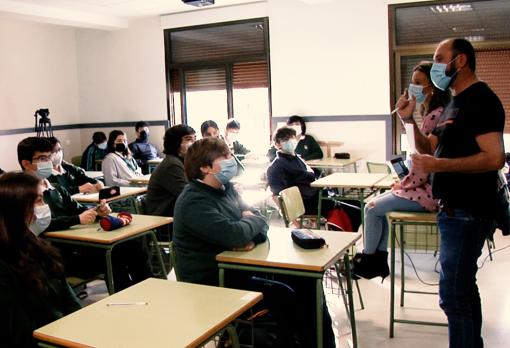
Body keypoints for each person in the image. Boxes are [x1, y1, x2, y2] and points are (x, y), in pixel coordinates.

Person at [174, 137, 336, 347]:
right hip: (213, 281)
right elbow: (235, 234)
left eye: (229, 154)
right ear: (205, 168)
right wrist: (244, 227)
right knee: (285, 294)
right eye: (224, 157)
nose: (230, 160)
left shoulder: (227, 188)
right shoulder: (193, 201)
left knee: (308, 281)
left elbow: (260, 220)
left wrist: (247, 227)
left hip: (240, 266)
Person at [398, 38, 505, 348]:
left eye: (440, 58)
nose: (436, 66)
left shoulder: (480, 100)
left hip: (468, 211)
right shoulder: (455, 103)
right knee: (464, 291)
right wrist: (408, 120)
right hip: (453, 211)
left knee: (453, 297)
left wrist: (439, 166)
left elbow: (495, 157)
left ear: (460, 61)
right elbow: (428, 148)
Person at [352, 61, 450, 281]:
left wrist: (406, 183)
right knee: (376, 208)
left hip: (430, 192)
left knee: (371, 207)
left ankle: (370, 260)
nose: (412, 87)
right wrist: (405, 183)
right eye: (412, 82)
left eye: (418, 83)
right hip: (426, 186)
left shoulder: (437, 115)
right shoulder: (433, 113)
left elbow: (425, 157)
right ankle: (378, 258)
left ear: (432, 87)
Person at [17, 137, 154, 292]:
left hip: (78, 245)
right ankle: (125, 297)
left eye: (49, 157)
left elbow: (78, 209)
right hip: (56, 253)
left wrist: (97, 212)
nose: (48, 162)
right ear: (26, 163)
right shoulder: (22, 194)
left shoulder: (56, 188)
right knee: (115, 253)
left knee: (134, 240)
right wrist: (77, 219)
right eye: (42, 158)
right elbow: (37, 224)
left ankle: (147, 289)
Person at [0, 171, 81, 347]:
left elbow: (69, 299)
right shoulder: (3, 265)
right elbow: (19, 333)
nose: (44, 206)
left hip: (63, 334)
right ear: (16, 208)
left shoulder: (37, 246)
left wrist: (82, 324)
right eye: (38, 201)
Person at [267, 127, 332, 216]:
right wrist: (296, 223)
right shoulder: (276, 166)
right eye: (285, 140)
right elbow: (277, 196)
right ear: (277, 144)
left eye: (292, 138)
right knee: (351, 208)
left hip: (316, 195)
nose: (290, 141)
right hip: (306, 203)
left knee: (351, 204)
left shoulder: (297, 158)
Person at [145, 125, 196, 219]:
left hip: (176, 212)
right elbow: (188, 195)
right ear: (175, 142)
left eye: (194, 139)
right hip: (163, 218)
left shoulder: (182, 161)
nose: (193, 143)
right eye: (188, 139)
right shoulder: (172, 165)